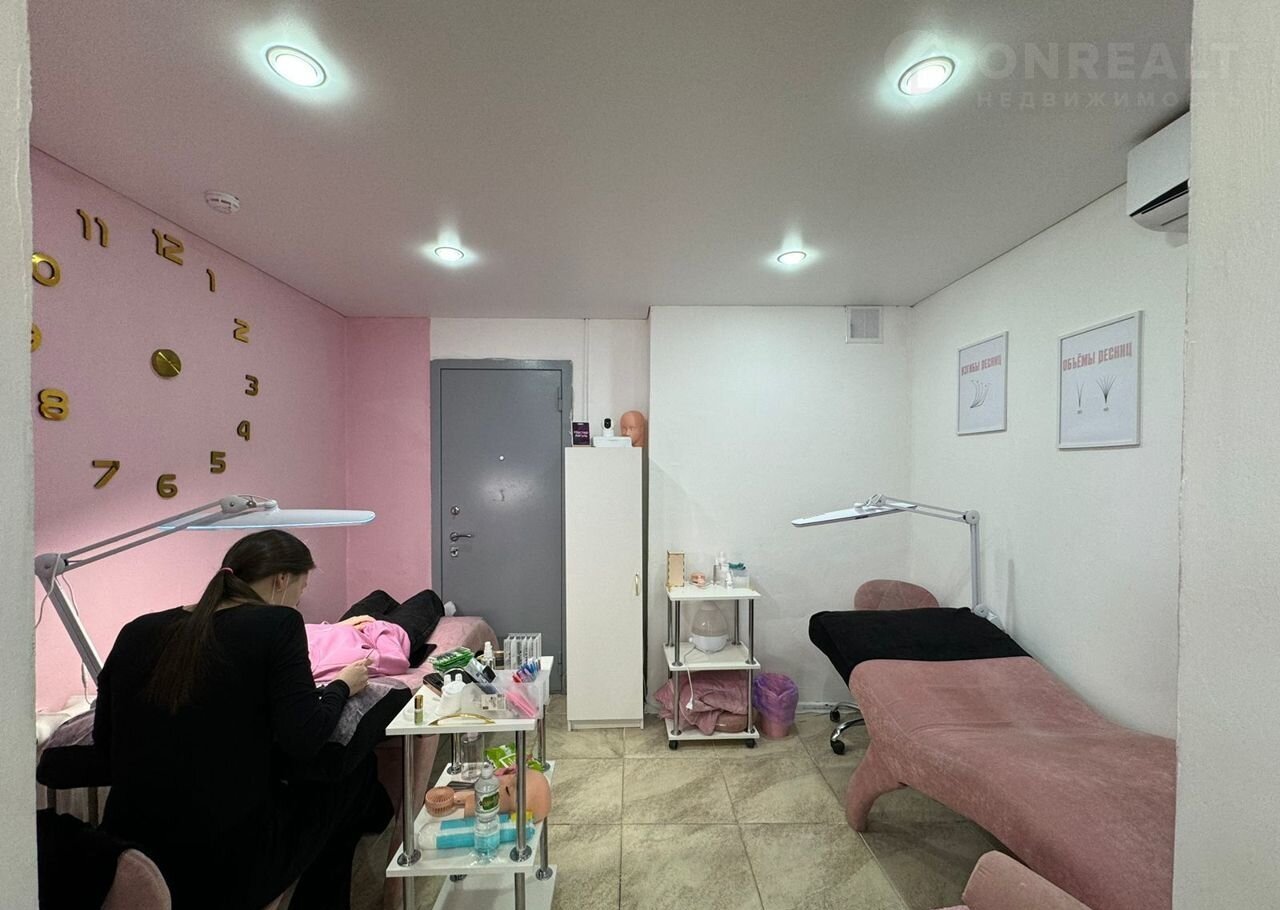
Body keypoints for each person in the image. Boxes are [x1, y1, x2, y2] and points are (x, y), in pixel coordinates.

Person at [94, 530, 387, 910]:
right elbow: (305, 738)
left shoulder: (138, 630)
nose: (299, 600)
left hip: (128, 856)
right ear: (282, 580)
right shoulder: (278, 623)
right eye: (301, 590)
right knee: (353, 776)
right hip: (225, 865)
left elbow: (105, 744)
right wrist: (342, 686)